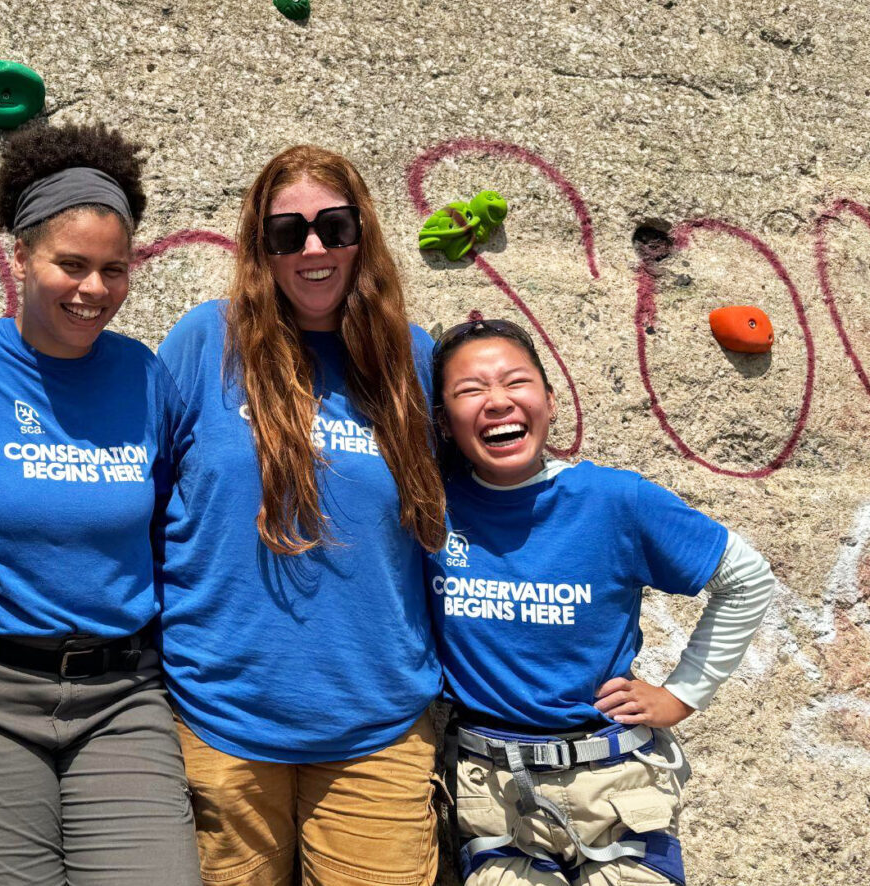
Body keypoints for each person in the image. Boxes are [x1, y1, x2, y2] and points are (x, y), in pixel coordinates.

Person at [0, 122, 200, 886]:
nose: (93, 290)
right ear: (20, 256)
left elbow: (169, 518)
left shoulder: (143, 376)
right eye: (70, 264)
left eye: (114, 269)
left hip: (122, 695)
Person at [155, 145, 448, 885]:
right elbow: (139, 496)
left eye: (333, 226)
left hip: (376, 728)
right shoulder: (206, 342)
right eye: (287, 234)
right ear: (261, 248)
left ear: (362, 236)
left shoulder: (411, 361)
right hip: (223, 723)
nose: (313, 249)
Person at [425, 317, 775, 886]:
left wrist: (682, 694)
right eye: (469, 391)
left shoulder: (616, 500)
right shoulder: (429, 507)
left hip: (617, 789)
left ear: (550, 400)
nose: (497, 402)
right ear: (443, 421)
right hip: (491, 797)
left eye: (516, 382)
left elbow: (748, 579)